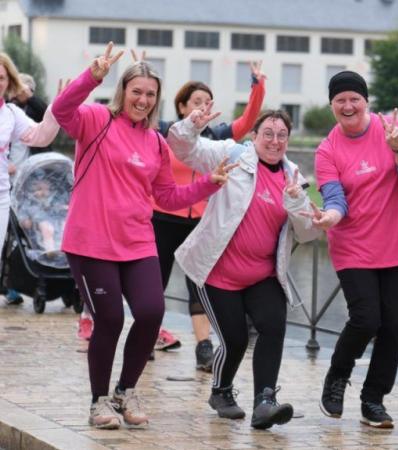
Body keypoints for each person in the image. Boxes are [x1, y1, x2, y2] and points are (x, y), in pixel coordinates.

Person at [51, 42, 234, 430]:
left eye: (150, 95)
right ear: (123, 92)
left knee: (152, 312)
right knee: (111, 319)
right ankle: (99, 401)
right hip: (91, 243)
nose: (143, 100)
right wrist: (93, 75)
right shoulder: (95, 120)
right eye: (136, 92)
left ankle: (125, 390)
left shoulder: (155, 142)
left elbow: (166, 195)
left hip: (137, 242)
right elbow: (62, 110)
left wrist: (209, 185)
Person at [166, 107, 319, 429]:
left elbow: (308, 234)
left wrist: (295, 203)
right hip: (217, 272)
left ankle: (265, 401)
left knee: (273, 326)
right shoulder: (233, 155)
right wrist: (190, 126)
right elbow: (184, 149)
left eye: (281, 135)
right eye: (268, 134)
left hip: (262, 274)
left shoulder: (294, 178)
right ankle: (221, 392)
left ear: (288, 140)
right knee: (234, 340)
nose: (274, 141)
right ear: (254, 136)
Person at [307, 71, 398, 429]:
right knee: (366, 318)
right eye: (339, 100)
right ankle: (337, 376)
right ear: (332, 106)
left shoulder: (391, 128)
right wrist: (330, 215)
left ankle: (373, 400)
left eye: (354, 99)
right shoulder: (328, 149)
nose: (347, 106)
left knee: (394, 327)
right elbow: (334, 196)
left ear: (366, 101)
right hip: (353, 245)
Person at [151, 61, 267, 369]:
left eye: (207, 102)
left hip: (199, 219)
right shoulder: (166, 132)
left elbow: (249, 120)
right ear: (182, 106)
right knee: (154, 283)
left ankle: (204, 347)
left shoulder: (216, 136)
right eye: (196, 102)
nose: (203, 107)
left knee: (198, 283)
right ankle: (147, 335)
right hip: (162, 217)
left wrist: (257, 85)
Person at [1, 53, 61, 306]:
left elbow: (42, 136)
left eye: (2, 77)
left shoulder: (12, 114)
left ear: (9, 82)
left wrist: (60, 107)